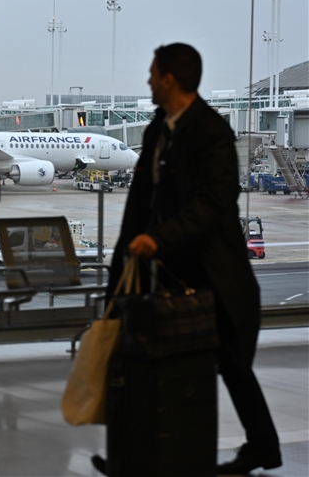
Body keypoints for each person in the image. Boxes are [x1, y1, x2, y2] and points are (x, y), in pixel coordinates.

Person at [105, 43, 281, 474]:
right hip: (162, 267)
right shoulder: (158, 129)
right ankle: (135, 452)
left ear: (169, 78)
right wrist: (122, 263)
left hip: (211, 274)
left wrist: (158, 239)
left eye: (152, 72)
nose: (147, 79)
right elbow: (140, 205)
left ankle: (259, 447)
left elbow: (213, 205)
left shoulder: (211, 133)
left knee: (231, 365)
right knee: (143, 359)